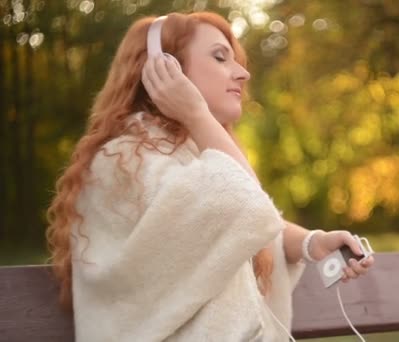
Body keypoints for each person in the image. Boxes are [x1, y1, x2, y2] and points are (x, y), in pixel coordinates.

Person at [46, 11, 375, 341]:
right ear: (165, 69)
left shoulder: (188, 153)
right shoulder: (123, 163)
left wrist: (311, 243)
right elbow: (243, 206)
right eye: (220, 57)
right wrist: (195, 113)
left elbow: (240, 221)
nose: (243, 73)